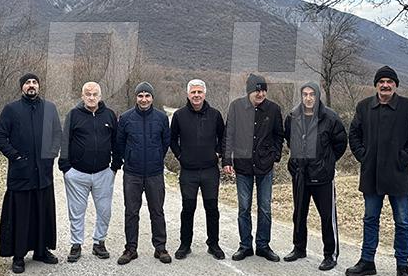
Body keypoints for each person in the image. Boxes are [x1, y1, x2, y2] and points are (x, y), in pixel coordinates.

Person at [345, 66, 408, 276]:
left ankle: (403, 266)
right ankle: (367, 261)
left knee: (402, 222)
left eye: (390, 81)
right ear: (376, 85)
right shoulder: (364, 107)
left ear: (395, 85)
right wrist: (364, 156)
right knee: (370, 219)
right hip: (371, 175)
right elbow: (354, 134)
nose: (385, 85)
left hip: (399, 176)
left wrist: (401, 159)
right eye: (381, 81)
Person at [0, 73, 62, 274]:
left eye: (34, 82)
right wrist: (15, 156)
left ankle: (41, 251)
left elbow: (57, 133)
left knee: (42, 212)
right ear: (22, 87)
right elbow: (0, 136)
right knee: (21, 215)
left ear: (39, 86)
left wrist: (51, 154)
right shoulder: (11, 109)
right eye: (27, 83)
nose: (31, 86)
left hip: (43, 172)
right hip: (21, 172)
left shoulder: (49, 108)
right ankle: (19, 255)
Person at [283, 82, 348, 270]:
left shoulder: (330, 118)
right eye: (305, 94)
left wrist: (327, 162)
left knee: (327, 216)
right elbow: (289, 139)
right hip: (300, 173)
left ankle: (330, 254)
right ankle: (299, 248)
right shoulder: (293, 117)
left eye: (312, 94)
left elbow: (340, 143)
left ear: (318, 96)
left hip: (322, 176)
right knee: (299, 214)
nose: (308, 98)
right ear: (301, 96)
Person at [223, 73, 284, 262]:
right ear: (249, 90)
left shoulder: (273, 109)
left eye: (264, 90)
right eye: (257, 90)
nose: (261, 94)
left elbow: (278, 135)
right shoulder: (236, 107)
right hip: (243, 165)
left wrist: (275, 155)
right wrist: (227, 160)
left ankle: (263, 246)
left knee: (265, 208)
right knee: (244, 208)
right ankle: (245, 245)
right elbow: (229, 134)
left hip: (265, 165)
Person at [59, 82, 121, 263]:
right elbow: (64, 142)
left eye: (95, 94)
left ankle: (99, 242)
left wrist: (115, 166)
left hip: (103, 173)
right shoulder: (73, 115)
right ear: (82, 96)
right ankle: (76, 244)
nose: (91, 97)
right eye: (88, 94)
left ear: (100, 96)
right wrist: (66, 168)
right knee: (76, 211)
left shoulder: (109, 115)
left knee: (104, 210)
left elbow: (116, 142)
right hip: (77, 173)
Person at [170, 79, 226, 260]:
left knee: (212, 208)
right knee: (188, 208)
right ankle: (185, 244)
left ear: (204, 94)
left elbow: (223, 138)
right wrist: (180, 156)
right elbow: (172, 140)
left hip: (210, 171)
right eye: (193, 92)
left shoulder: (215, 115)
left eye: (199, 92)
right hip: (188, 172)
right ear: (188, 94)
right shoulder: (179, 115)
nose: (196, 95)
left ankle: (213, 244)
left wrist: (217, 154)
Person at [116, 82, 172, 264]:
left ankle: (160, 248)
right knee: (131, 211)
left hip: (154, 173)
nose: (144, 99)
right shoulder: (125, 118)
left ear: (152, 98)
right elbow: (120, 144)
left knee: (157, 210)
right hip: (132, 173)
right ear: (136, 97)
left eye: (147, 96)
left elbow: (165, 143)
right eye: (140, 95)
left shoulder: (162, 118)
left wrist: (156, 158)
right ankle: (131, 249)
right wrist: (130, 158)